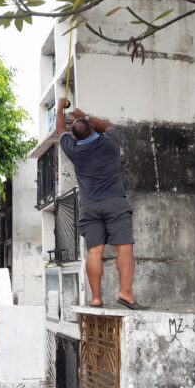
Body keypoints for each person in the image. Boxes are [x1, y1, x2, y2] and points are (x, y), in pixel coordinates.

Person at [56, 97, 146, 310]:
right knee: (124, 247)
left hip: (89, 206)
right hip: (115, 202)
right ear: (93, 129)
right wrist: (85, 116)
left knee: (94, 251)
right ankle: (125, 293)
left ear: (75, 137)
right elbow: (109, 127)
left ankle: (96, 298)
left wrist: (60, 107)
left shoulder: (74, 150)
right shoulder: (109, 142)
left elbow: (60, 130)